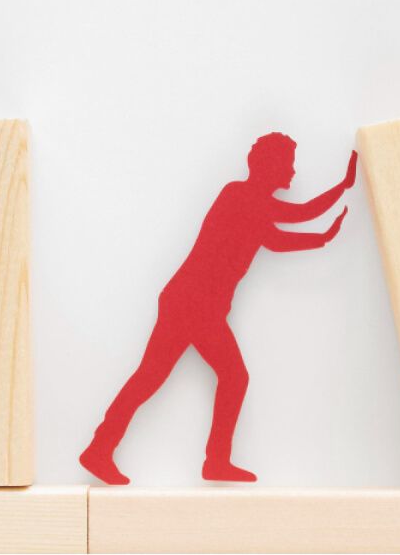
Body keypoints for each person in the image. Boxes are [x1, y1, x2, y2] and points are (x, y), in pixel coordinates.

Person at [80, 132, 357, 484]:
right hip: (195, 305)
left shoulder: (251, 205)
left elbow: (276, 236)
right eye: (287, 164)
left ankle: (104, 449)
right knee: (225, 377)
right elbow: (298, 216)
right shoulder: (239, 195)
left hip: (192, 303)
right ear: (269, 166)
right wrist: (340, 193)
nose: (292, 172)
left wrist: (325, 230)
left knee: (156, 377)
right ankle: (209, 460)